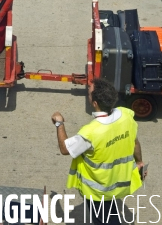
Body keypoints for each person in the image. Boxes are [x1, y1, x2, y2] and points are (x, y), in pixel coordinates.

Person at [51, 78, 143, 224]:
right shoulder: (126, 116)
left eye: (89, 93)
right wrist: (139, 162)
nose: (88, 93)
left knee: (104, 218)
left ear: (95, 103)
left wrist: (59, 123)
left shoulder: (91, 132)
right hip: (118, 182)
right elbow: (135, 143)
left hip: (98, 191)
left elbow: (64, 149)